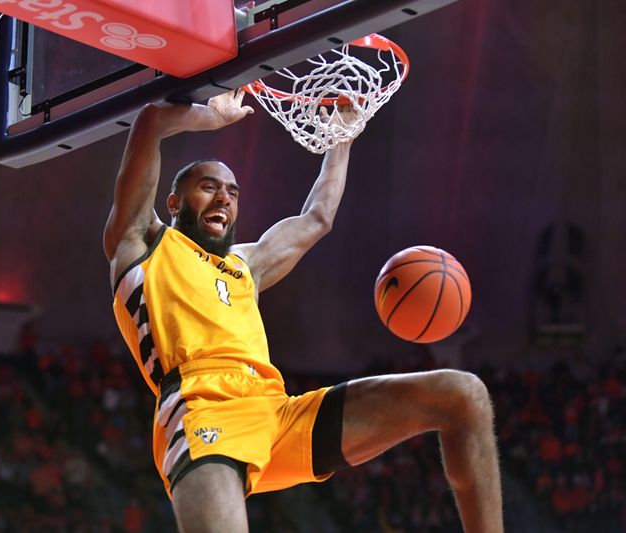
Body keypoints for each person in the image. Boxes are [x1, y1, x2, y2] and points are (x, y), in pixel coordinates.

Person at [104, 89, 503, 532]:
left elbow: (317, 218)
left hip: (277, 413)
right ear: (173, 203)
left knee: (463, 396)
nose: (224, 199)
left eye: (233, 192)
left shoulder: (244, 266)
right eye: (208, 187)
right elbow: (150, 122)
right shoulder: (143, 242)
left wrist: (343, 137)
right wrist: (210, 117)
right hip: (202, 410)